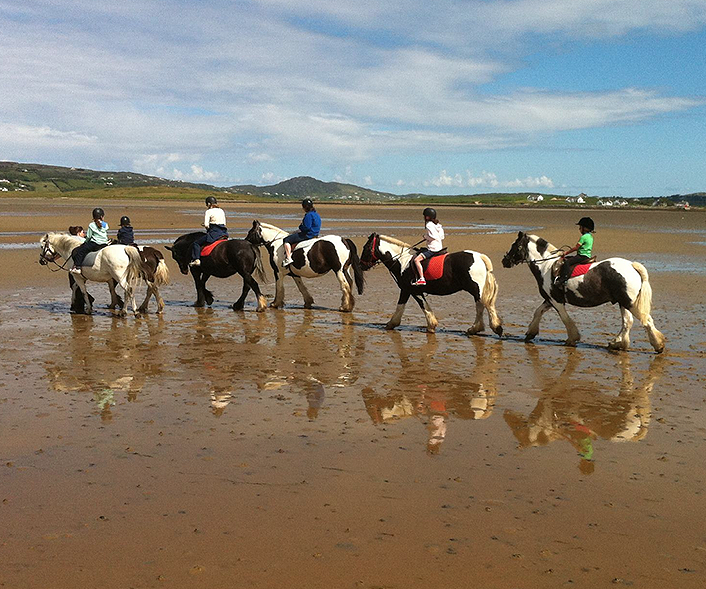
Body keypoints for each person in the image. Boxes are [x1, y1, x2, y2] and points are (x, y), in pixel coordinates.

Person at [189, 196, 228, 267]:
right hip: (224, 233)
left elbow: (206, 224)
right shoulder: (221, 210)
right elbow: (224, 223)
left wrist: (207, 227)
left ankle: (196, 259)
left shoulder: (208, 211)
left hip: (214, 233)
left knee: (196, 243)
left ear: (209, 203)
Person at [556, 216, 595, 286]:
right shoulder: (590, 236)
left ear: (585, 228)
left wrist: (566, 252)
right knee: (569, 258)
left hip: (582, 256)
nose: (579, 229)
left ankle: (564, 279)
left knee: (567, 262)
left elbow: (576, 248)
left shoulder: (583, 237)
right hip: (587, 256)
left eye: (580, 227)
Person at [282, 198, 321, 266]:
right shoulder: (316, 214)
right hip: (315, 234)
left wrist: (300, 227)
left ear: (305, 207)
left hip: (308, 235)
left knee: (286, 240)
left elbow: (306, 227)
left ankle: (288, 258)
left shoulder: (308, 215)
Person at [70, 208, 110, 274]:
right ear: (102, 217)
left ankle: (78, 267)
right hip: (104, 243)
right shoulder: (105, 224)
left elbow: (89, 236)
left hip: (95, 244)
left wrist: (85, 242)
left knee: (80, 251)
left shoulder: (91, 225)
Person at [412, 207, 445, 286]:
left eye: (425, 216)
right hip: (439, 247)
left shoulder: (429, 224)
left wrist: (425, 237)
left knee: (416, 260)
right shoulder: (438, 225)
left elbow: (433, 236)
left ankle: (421, 279)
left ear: (427, 217)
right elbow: (442, 237)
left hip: (433, 249)